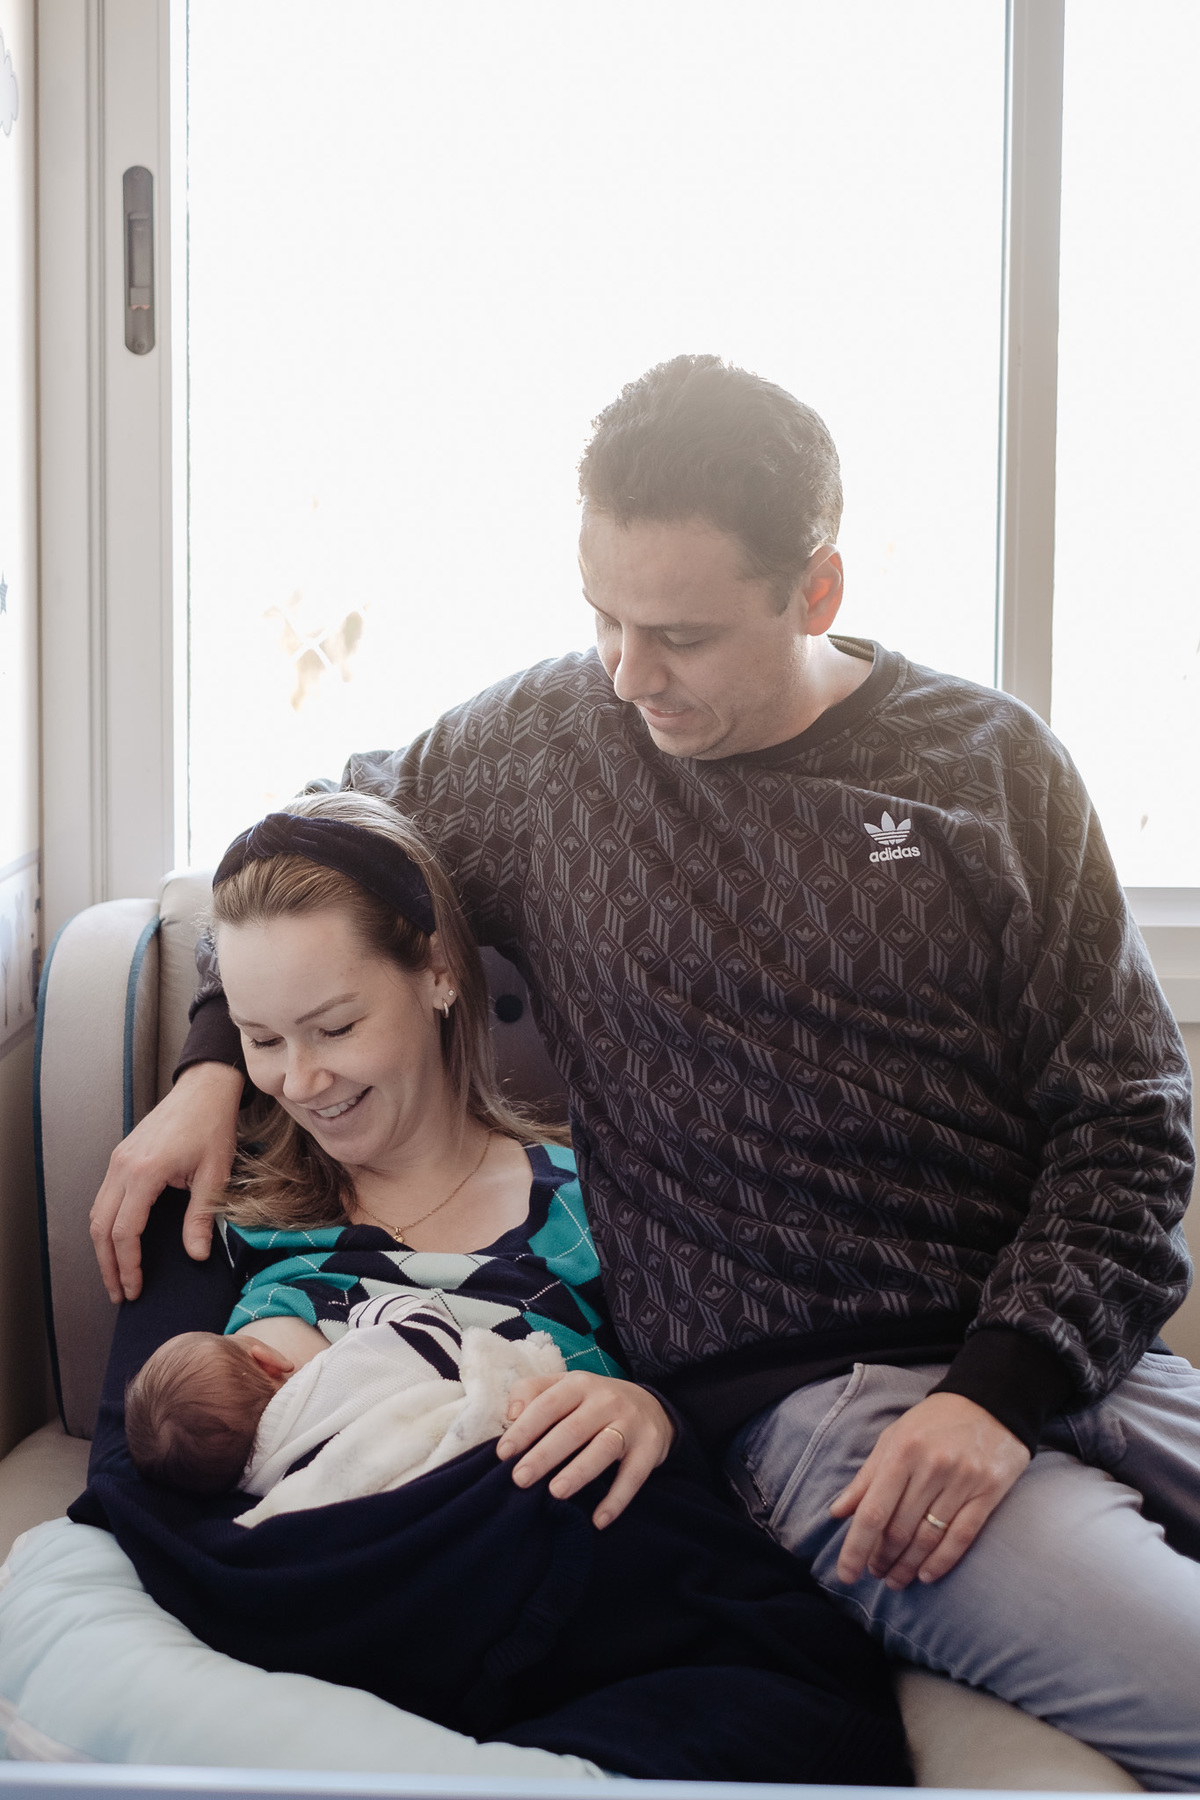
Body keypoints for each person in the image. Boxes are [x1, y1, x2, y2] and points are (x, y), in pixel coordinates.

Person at [90, 355, 1200, 1788]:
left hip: (1076, 1354)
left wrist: (1001, 1387)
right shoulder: (554, 746)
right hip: (819, 1404)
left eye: (676, 634)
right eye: (602, 617)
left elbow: (1131, 1124)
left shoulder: (991, 767)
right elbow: (330, 844)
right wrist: (205, 1069)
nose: (628, 673)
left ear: (818, 592)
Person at [88, 788, 909, 1787]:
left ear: (437, 974)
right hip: (319, 1600)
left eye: (335, 1027)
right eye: (260, 1042)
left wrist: (644, 1410)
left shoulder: (602, 1203)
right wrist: (204, 1078)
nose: (299, 1083)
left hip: (558, 1611)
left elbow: (722, 1442)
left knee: (801, 1709)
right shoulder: (215, 1207)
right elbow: (136, 1477)